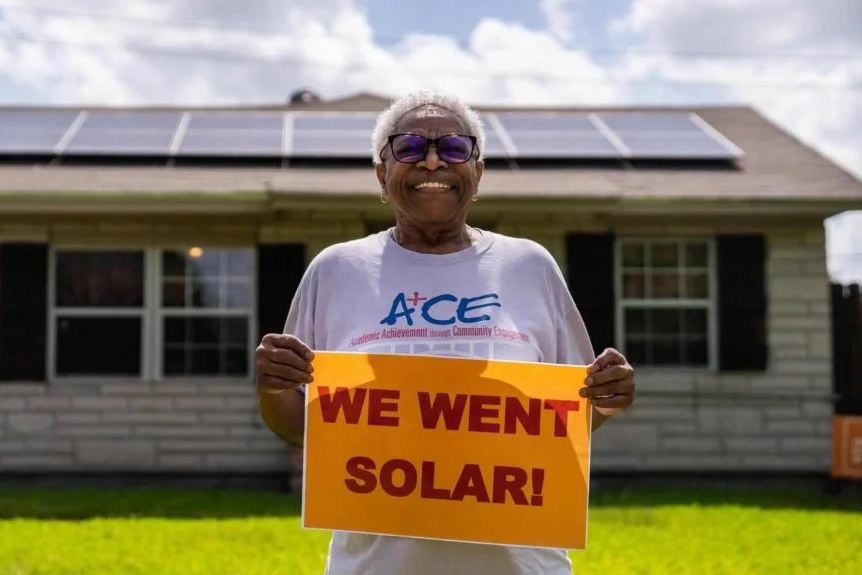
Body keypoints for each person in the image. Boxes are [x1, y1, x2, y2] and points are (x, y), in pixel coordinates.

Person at [255, 90, 636, 575]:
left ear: (477, 174)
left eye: (454, 149)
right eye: (410, 147)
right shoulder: (336, 270)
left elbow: (569, 413)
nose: (432, 162)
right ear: (381, 172)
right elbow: (299, 425)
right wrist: (273, 385)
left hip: (521, 563)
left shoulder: (529, 265)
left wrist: (607, 396)